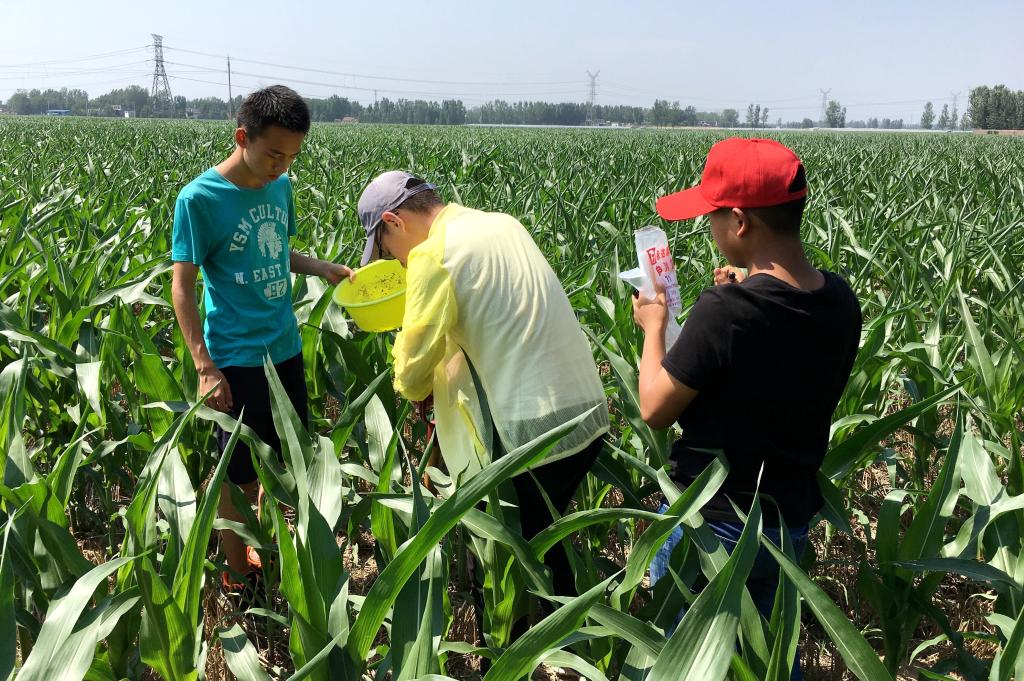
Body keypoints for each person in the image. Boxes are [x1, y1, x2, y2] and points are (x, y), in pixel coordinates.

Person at [631, 138, 862, 680]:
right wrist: (743, 290)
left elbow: (654, 408)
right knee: (773, 659)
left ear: (739, 221)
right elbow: (775, 350)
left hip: (712, 527)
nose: (708, 227)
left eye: (712, 216)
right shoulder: (840, 301)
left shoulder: (725, 312)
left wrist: (653, 327)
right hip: (787, 524)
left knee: (687, 663)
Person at [355, 171, 610, 600]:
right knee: (545, 547)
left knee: (498, 572)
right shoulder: (501, 223)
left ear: (394, 222)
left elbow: (412, 376)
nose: (395, 261)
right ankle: (567, 628)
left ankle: (520, 640)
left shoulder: (432, 256)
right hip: (584, 418)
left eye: (385, 249)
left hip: (529, 438)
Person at [170, 85, 354, 590]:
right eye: (274, 154)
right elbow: (182, 288)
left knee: (284, 461)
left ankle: (267, 546)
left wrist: (320, 267)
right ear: (241, 138)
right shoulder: (199, 199)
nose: (282, 166)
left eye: (292, 156)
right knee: (238, 472)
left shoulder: (280, 186)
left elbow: (274, 252)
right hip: (235, 356)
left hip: (284, 348)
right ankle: (236, 570)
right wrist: (205, 365)